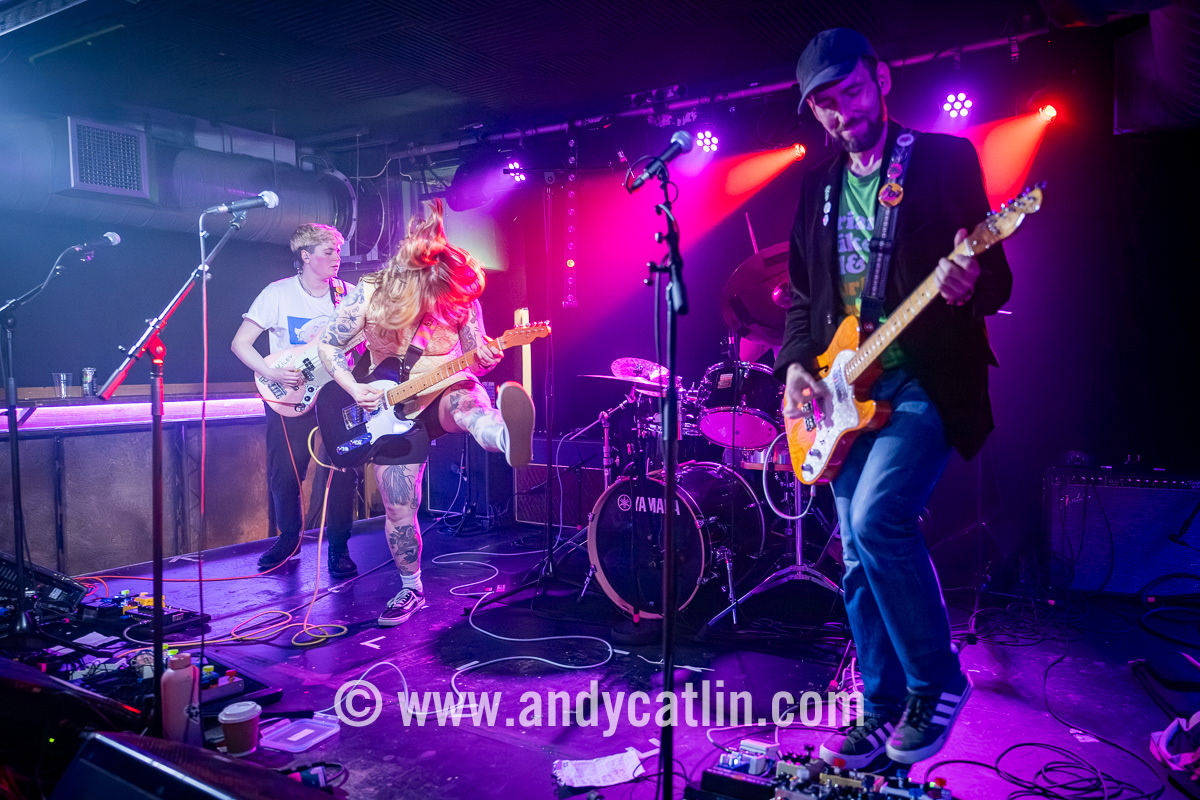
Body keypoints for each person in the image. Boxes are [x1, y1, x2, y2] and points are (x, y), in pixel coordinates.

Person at [776, 28, 1012, 766]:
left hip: (923, 378)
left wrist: (969, 284)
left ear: (880, 79)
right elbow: (802, 297)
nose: (840, 110)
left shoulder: (942, 159)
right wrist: (796, 367)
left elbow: (997, 276)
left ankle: (936, 681)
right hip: (844, 390)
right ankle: (879, 709)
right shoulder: (816, 186)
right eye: (823, 102)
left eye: (849, 90)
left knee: (879, 518)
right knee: (853, 552)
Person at [317, 199, 534, 627]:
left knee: (468, 402)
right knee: (400, 506)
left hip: (441, 389)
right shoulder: (371, 292)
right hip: (385, 408)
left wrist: (487, 357)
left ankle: (505, 438)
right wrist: (354, 388)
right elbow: (329, 344)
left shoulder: (459, 298)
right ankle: (410, 587)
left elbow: (477, 357)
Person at [231, 223, 361, 580]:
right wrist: (270, 373)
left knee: (344, 469)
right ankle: (289, 539)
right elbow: (240, 343)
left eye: (338, 251)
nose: (337, 258)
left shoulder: (348, 295)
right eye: (328, 252)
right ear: (305, 256)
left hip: (338, 390)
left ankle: (339, 546)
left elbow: (367, 340)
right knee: (286, 471)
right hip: (289, 389)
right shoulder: (277, 293)